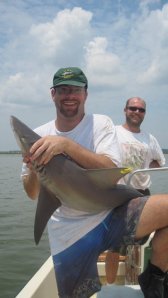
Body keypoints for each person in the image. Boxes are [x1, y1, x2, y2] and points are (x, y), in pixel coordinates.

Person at [21, 68, 168, 298]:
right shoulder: (39, 135)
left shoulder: (100, 123)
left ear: (85, 94)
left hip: (110, 214)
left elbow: (110, 166)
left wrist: (66, 145)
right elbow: (32, 194)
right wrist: (32, 169)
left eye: (76, 89)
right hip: (68, 233)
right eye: (63, 90)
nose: (70, 95)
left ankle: (154, 277)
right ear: (53, 94)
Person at [105, 97, 166, 285]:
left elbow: (159, 162)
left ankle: (148, 278)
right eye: (133, 108)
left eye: (141, 110)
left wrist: (146, 164)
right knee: (114, 247)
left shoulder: (150, 139)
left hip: (142, 194)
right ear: (125, 110)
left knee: (138, 243)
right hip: (118, 194)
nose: (137, 112)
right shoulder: (112, 133)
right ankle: (109, 286)